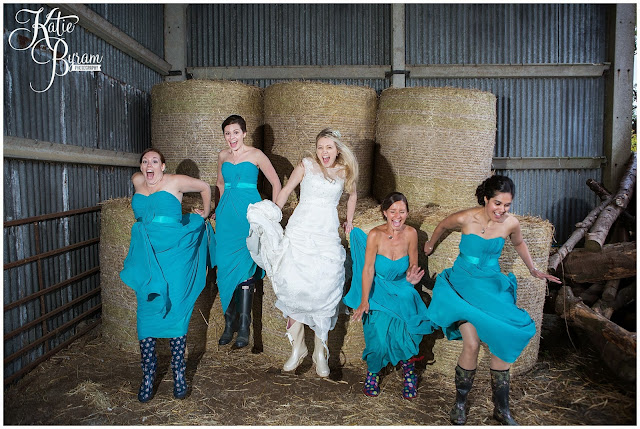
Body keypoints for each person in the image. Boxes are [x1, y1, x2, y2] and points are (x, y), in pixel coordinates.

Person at [423, 175, 561, 425]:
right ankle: (460, 404)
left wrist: (533, 269)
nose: (502, 210)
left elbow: (519, 243)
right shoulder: (467, 217)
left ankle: (502, 409)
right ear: (486, 199)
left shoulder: (511, 223)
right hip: (462, 285)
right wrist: (431, 244)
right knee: (472, 344)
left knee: (506, 336)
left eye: (507, 205)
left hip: (491, 284)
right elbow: (443, 224)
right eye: (497, 203)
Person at [246, 128, 358, 377]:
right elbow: (286, 190)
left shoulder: (344, 171)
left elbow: (353, 194)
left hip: (326, 236)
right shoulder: (306, 165)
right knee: (291, 284)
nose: (324, 152)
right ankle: (298, 348)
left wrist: (349, 220)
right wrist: (273, 213)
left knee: (325, 290)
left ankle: (320, 352)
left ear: (337, 149)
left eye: (328, 147)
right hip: (300, 231)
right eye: (320, 147)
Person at [120, 148, 215, 402]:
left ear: (163, 166)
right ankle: (148, 375)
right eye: (144, 161)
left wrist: (205, 213)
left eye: (154, 161)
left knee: (175, 313)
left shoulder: (175, 181)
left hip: (175, 256)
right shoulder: (137, 180)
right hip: (148, 258)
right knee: (146, 314)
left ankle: (179, 374)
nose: (148, 165)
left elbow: (206, 186)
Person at [344, 192, 433, 399]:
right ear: (385, 213)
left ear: (407, 213)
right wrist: (365, 300)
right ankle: (373, 373)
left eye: (402, 211)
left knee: (410, 328)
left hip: (402, 287)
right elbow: (367, 270)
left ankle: (409, 371)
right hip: (378, 288)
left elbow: (413, 264)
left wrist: (412, 277)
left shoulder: (411, 233)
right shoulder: (375, 235)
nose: (397, 216)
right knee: (378, 338)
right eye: (393, 211)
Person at [215, 114, 281, 349]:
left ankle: (244, 329)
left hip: (248, 216)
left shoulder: (256, 155)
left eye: (235, 132)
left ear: (244, 133)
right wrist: (218, 208)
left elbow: (276, 183)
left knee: (245, 267)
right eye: (227, 133)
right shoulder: (223, 156)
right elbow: (221, 184)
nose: (231, 137)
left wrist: (273, 213)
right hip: (225, 218)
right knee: (223, 267)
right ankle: (228, 323)